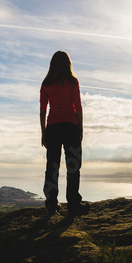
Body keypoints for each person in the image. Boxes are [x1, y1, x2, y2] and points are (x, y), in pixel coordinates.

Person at [40, 51, 88, 215]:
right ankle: (74, 204)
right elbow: (78, 107)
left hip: (53, 127)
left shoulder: (46, 83)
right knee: (73, 166)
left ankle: (51, 203)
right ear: (68, 64)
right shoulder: (73, 82)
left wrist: (43, 132)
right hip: (71, 127)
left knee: (52, 166)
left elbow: (42, 110)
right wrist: (80, 128)